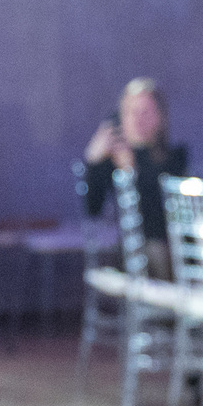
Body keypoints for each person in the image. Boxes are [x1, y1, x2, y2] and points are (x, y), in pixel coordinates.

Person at [82, 77, 190, 278]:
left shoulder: (174, 159)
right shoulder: (111, 161)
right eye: (131, 112)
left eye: (145, 112)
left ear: (160, 117)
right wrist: (93, 164)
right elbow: (92, 210)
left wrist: (133, 173)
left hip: (174, 248)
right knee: (150, 252)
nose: (137, 119)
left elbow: (160, 220)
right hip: (130, 252)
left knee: (160, 249)